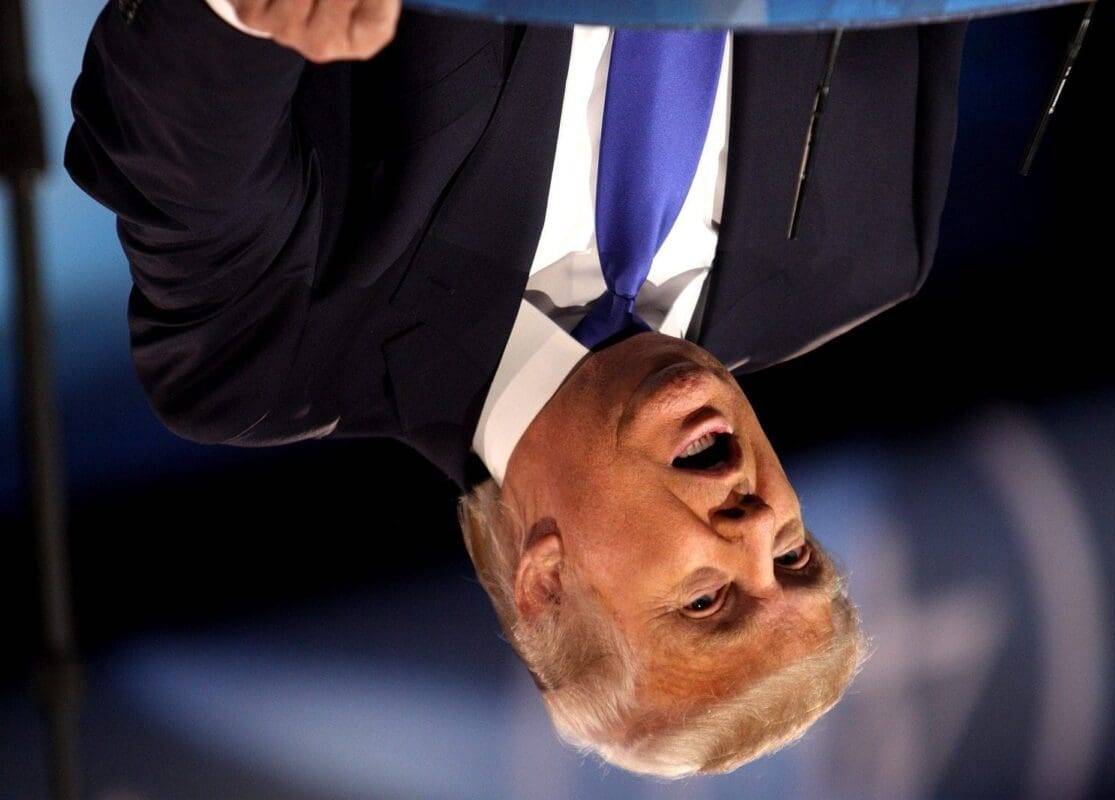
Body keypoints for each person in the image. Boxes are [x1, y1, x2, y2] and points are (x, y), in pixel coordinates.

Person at [65, 0, 965, 775]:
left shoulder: (278, 345)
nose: (759, 525)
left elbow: (166, 133)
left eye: (707, 601)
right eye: (795, 559)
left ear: (546, 582)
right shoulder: (865, 247)